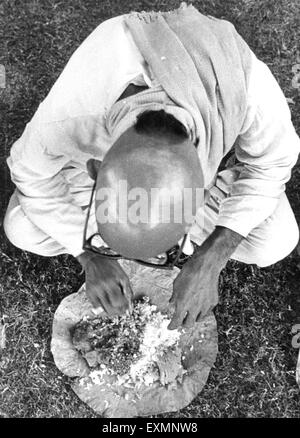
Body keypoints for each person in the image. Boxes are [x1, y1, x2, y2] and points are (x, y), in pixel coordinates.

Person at [4, 4, 300, 330]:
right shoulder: (71, 118)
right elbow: (29, 173)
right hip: (106, 155)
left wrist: (211, 258)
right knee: (20, 226)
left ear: (200, 186)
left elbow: (271, 167)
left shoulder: (243, 83)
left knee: (277, 239)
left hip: (191, 172)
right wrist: (89, 257)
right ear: (95, 169)